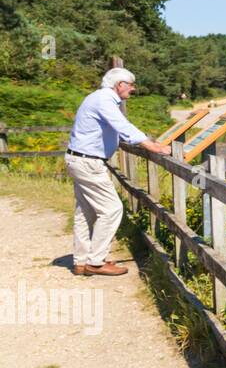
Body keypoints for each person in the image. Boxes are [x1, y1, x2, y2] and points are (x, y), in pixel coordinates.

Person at [65, 68, 167, 277]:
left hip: (80, 159)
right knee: (111, 209)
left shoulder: (97, 98)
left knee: (86, 212)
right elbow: (123, 126)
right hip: (88, 162)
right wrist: (153, 146)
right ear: (120, 84)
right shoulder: (105, 100)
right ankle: (96, 261)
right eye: (130, 85)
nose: (133, 89)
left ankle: (81, 261)